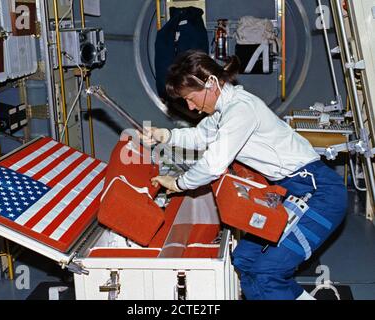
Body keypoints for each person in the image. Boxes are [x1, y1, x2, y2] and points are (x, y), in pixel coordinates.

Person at [138, 50, 348, 300]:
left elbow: (213, 164)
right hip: (294, 191)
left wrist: (180, 183)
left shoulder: (240, 109)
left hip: (320, 193)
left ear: (211, 83)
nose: (190, 107)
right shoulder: (222, 111)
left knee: (267, 273)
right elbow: (200, 135)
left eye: (191, 98)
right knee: (245, 260)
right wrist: (167, 135)